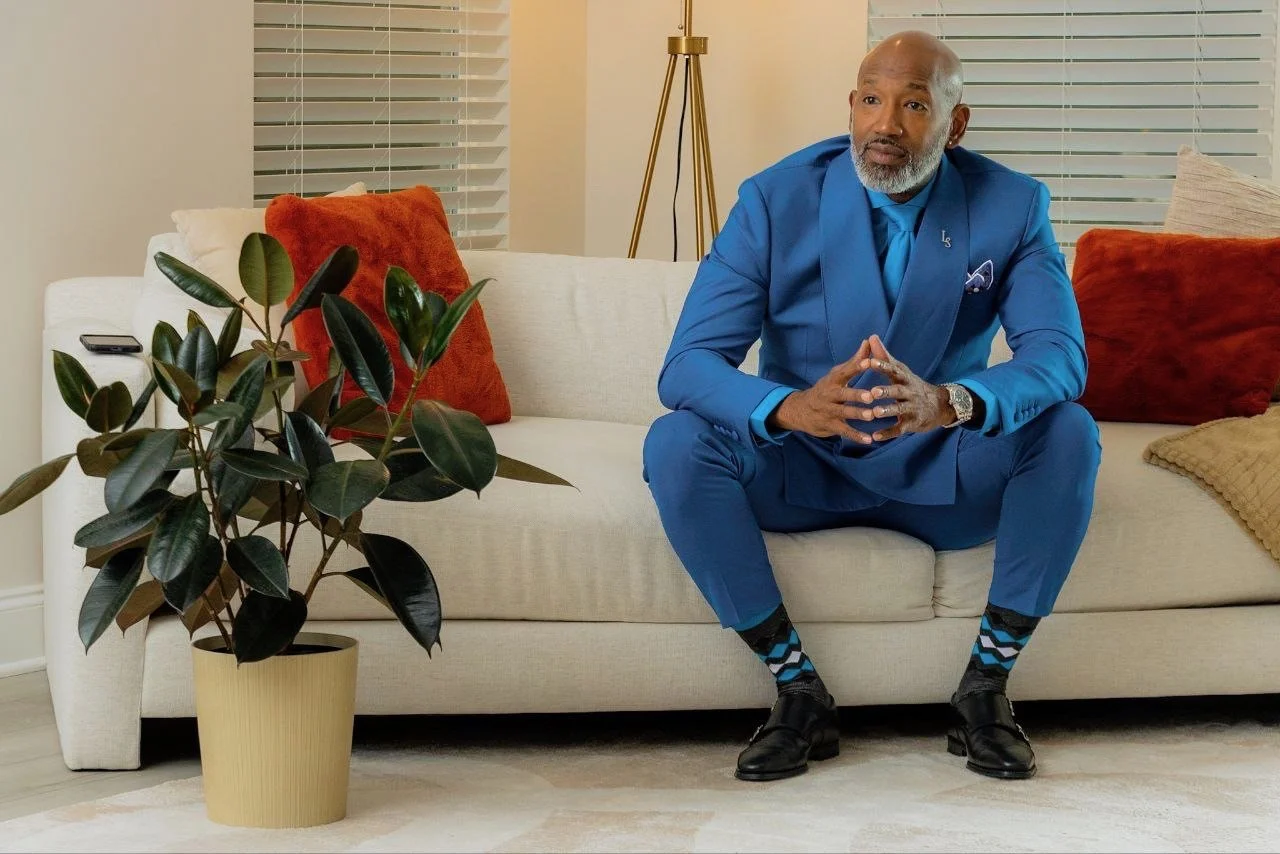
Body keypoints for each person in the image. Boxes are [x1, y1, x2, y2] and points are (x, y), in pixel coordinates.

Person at [642, 31, 1102, 783]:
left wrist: (952, 402)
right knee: (675, 443)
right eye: (869, 99)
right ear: (851, 106)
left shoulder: (1012, 205)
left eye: (914, 105)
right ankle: (798, 690)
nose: (884, 124)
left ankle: (985, 688)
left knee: (1068, 431)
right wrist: (789, 408)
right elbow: (687, 365)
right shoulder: (775, 199)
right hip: (802, 465)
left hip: (940, 467)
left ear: (955, 125)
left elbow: (1058, 357)